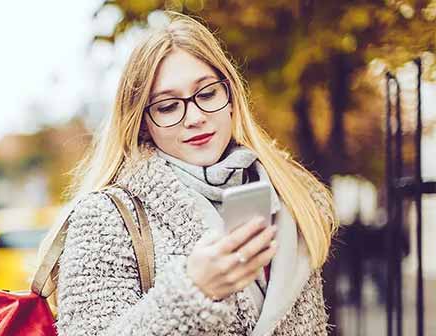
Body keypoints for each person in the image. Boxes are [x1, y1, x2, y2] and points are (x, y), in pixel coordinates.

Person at [36, 12, 338, 336]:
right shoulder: (105, 217)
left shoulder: (292, 202)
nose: (194, 117)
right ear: (143, 124)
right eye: (167, 106)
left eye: (207, 94)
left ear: (231, 98)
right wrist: (192, 291)